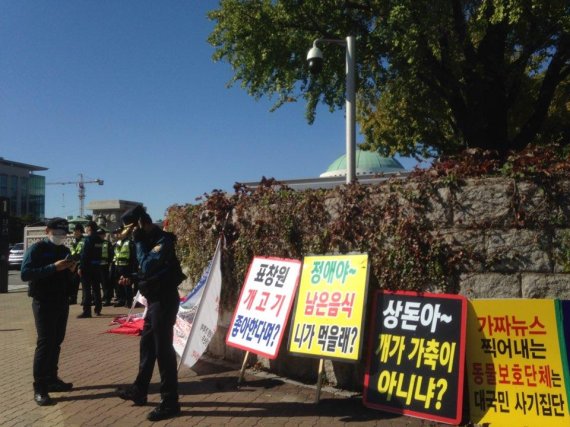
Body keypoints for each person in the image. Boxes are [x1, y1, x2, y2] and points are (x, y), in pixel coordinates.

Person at [115, 205, 185, 422]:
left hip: (164, 302)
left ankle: (170, 401)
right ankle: (140, 389)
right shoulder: (147, 240)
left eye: (132, 229)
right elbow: (146, 272)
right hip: (154, 301)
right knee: (147, 345)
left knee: (163, 350)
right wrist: (132, 277)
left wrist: (137, 242)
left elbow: (147, 265)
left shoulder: (163, 241)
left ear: (139, 224)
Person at [21, 218, 77, 406]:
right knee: (45, 343)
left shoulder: (64, 250)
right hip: (43, 301)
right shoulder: (37, 249)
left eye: (63, 234)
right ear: (48, 231)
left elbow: (68, 276)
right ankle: (40, 387)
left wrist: (71, 270)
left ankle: (52, 379)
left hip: (61, 300)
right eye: (57, 233)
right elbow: (25, 273)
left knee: (56, 341)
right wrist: (54, 267)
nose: (60, 237)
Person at [77, 221, 104, 318]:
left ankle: (87, 311)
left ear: (89, 228)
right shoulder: (99, 240)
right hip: (97, 266)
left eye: (86, 227)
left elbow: (85, 254)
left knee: (86, 289)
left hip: (87, 267)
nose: (85, 229)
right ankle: (98, 309)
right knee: (96, 288)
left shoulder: (88, 239)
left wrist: (80, 267)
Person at [111, 226, 137, 308]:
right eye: (116, 233)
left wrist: (131, 270)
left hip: (126, 266)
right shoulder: (116, 243)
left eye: (118, 233)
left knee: (127, 284)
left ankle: (129, 302)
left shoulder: (130, 243)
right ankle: (121, 300)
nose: (117, 235)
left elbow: (133, 257)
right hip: (117, 266)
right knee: (118, 285)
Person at [68, 223, 84, 305]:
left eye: (75, 231)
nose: (73, 233)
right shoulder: (73, 241)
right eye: (73, 231)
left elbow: (81, 254)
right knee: (73, 283)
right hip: (73, 264)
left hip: (81, 264)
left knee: (84, 284)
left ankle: (84, 299)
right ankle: (73, 298)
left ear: (79, 231)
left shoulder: (84, 241)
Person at [98, 228, 114, 306]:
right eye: (99, 234)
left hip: (105, 265)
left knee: (105, 283)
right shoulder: (96, 243)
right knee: (98, 282)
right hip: (97, 265)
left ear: (104, 235)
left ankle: (108, 299)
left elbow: (111, 254)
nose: (100, 236)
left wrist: (110, 263)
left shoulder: (107, 243)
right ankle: (102, 297)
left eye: (101, 234)